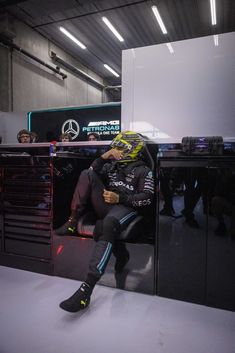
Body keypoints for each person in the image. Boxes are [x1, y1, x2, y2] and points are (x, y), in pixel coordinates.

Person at [58, 131, 155, 312]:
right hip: (107, 205)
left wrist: (120, 198)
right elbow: (92, 172)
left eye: (119, 147)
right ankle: (73, 221)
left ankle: (86, 290)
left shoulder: (144, 170)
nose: (115, 150)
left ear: (132, 149)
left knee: (105, 226)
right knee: (86, 173)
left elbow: (148, 198)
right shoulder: (111, 165)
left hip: (127, 208)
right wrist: (104, 156)